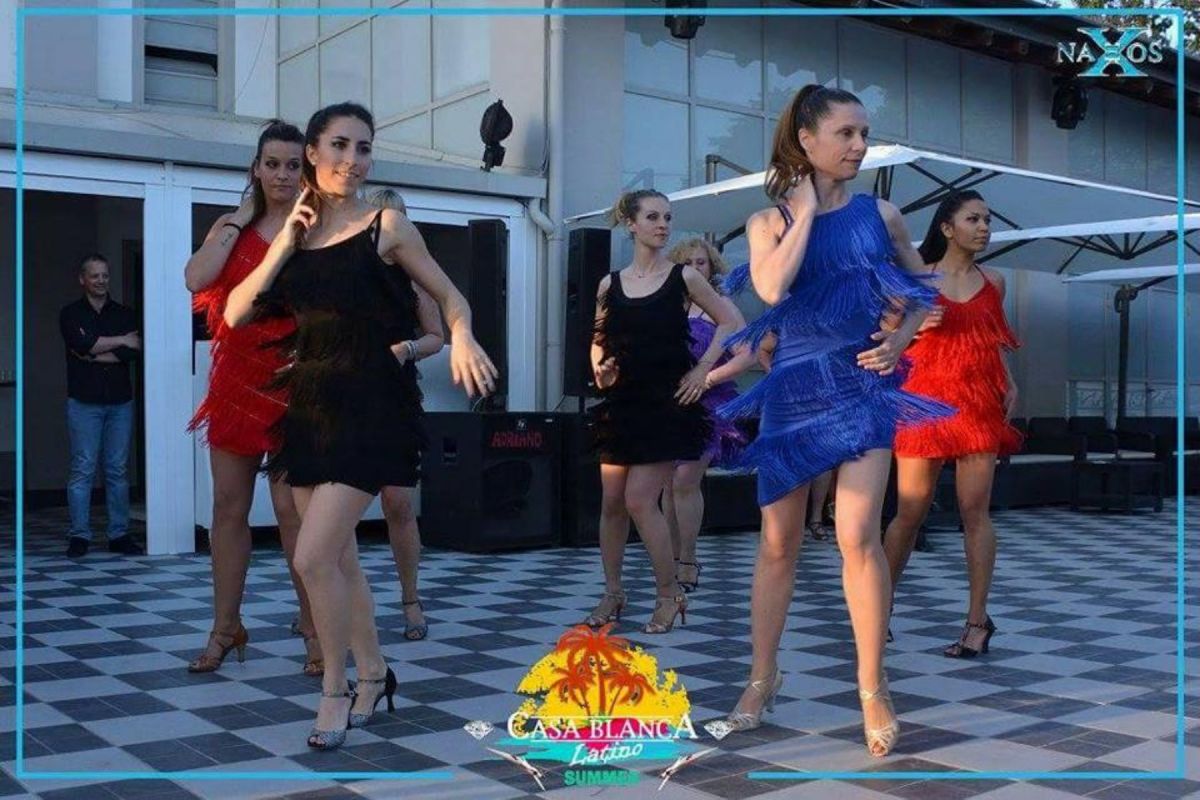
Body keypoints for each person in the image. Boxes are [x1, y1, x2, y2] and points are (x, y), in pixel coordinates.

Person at [223, 102, 497, 751]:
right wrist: (282, 243)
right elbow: (234, 313)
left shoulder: (386, 224)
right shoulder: (296, 237)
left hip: (373, 406)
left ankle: (335, 688)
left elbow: (451, 297)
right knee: (341, 558)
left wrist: (460, 336)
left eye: (364, 148)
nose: (353, 160)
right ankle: (374, 673)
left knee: (312, 556)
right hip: (309, 406)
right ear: (313, 153)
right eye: (340, 145)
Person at [718, 84, 953, 757]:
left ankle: (873, 686)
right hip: (793, 392)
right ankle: (762, 677)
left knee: (857, 535)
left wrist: (901, 339)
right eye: (846, 133)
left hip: (862, 386)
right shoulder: (768, 221)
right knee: (778, 544)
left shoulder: (883, 214)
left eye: (864, 134)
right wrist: (802, 211)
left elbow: (923, 289)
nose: (859, 146)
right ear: (806, 140)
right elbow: (770, 288)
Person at [183, 120, 322, 675]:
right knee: (227, 507)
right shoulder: (231, 226)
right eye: (272, 164)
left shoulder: (316, 228)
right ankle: (225, 628)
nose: (283, 174)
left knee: (292, 512)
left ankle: (314, 629)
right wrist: (241, 218)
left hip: (297, 384)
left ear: (305, 170)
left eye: (293, 165)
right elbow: (196, 279)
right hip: (237, 381)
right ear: (256, 168)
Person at [586, 190, 741, 634]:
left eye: (668, 218)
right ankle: (613, 592)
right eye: (653, 217)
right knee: (612, 502)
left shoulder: (683, 278)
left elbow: (731, 322)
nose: (663, 225)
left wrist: (703, 369)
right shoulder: (609, 284)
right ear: (631, 224)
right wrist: (602, 369)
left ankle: (670, 594)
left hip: (665, 405)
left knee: (639, 500)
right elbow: (598, 339)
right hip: (622, 403)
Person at [884, 190, 1020, 659]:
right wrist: (914, 328)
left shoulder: (995, 281)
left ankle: (977, 621)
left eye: (987, 220)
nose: (984, 228)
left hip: (978, 403)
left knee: (974, 511)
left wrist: (1009, 380)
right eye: (973, 219)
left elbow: (992, 337)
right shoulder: (915, 278)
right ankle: (878, 607)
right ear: (947, 228)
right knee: (910, 511)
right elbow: (880, 335)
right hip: (922, 401)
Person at [369, 188, 444, 642]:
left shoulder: (416, 279)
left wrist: (407, 349)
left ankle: (411, 599)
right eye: (382, 219)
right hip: (345, 397)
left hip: (396, 397)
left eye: (399, 220)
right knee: (331, 512)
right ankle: (321, 607)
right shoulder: (350, 270)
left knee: (398, 502)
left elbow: (437, 335)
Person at [661, 238, 755, 593]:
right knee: (667, 483)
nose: (695, 268)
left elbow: (746, 354)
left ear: (712, 267)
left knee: (685, 480)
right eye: (688, 263)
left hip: (708, 403)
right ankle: (670, 557)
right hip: (667, 404)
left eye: (701, 262)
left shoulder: (722, 305)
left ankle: (688, 558)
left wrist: (708, 379)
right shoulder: (668, 304)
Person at [59, 253, 143, 558]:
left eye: (105, 275)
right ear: (82, 279)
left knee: (117, 470)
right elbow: (82, 345)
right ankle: (79, 536)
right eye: (95, 276)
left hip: (120, 402)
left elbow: (133, 351)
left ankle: (119, 534)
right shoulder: (71, 314)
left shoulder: (124, 313)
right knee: (83, 468)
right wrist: (119, 341)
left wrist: (93, 354)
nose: (101, 281)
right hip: (84, 402)